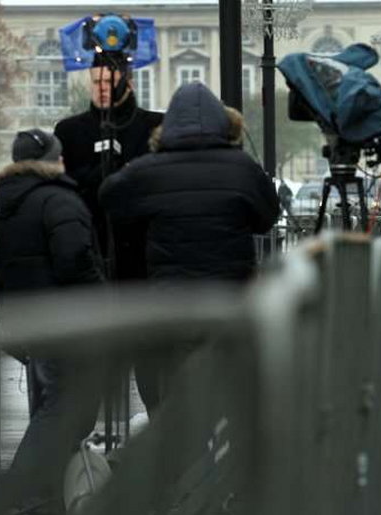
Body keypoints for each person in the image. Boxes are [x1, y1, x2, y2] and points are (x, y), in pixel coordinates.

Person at [99, 82, 279, 411]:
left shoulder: (148, 171)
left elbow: (111, 198)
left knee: (170, 382)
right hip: (229, 298)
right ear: (226, 124)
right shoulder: (242, 169)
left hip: (171, 299)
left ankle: (173, 443)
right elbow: (267, 217)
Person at [0, 128, 105, 515]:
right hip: (65, 319)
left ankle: (47, 492)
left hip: (31, 320)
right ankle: (19, 488)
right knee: (66, 407)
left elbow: (0, 267)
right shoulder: (58, 200)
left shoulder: (8, 205)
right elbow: (75, 258)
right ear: (54, 161)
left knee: (50, 406)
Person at [54, 55, 163, 280]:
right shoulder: (69, 130)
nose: (102, 89)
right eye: (96, 82)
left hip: (140, 245)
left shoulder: (155, 126)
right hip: (89, 239)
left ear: (128, 84)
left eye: (109, 83)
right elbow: (63, 185)